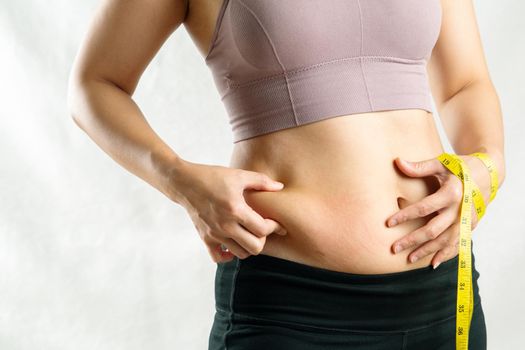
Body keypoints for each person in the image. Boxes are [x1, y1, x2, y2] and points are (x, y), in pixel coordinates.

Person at [67, 0, 506, 349]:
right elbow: (95, 84)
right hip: (292, 306)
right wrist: (181, 181)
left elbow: (464, 83)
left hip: (442, 294)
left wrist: (489, 164)